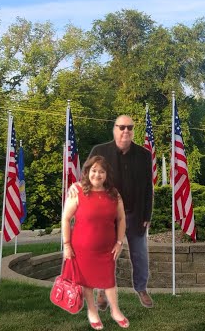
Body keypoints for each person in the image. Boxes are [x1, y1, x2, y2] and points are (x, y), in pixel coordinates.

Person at [87, 115, 154, 309]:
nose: (126, 131)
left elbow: (148, 187)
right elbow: (89, 179)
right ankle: (101, 290)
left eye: (130, 127)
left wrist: (147, 214)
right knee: (105, 254)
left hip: (135, 214)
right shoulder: (99, 151)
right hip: (107, 215)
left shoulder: (144, 155)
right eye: (122, 127)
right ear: (114, 129)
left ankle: (141, 288)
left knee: (140, 254)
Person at [62, 155, 129, 330]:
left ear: (106, 174)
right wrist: (67, 244)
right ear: (87, 172)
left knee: (109, 281)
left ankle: (115, 311)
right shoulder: (77, 191)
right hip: (81, 249)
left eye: (101, 171)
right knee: (87, 282)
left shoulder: (114, 194)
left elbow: (121, 219)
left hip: (107, 249)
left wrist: (120, 242)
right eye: (94, 170)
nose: (97, 175)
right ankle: (92, 311)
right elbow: (66, 219)